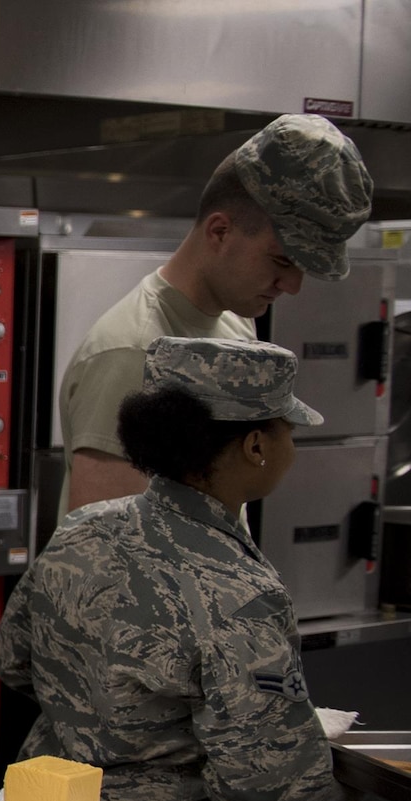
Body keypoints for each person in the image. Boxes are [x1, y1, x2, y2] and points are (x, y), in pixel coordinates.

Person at [0, 336, 348, 801]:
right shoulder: (241, 592)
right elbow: (272, 790)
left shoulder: (82, 528)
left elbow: (11, 659)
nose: (292, 445)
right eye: (287, 429)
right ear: (255, 446)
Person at [58, 113, 371, 517]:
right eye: (281, 261)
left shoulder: (233, 324)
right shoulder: (134, 353)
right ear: (220, 232)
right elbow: (105, 556)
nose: (292, 286)